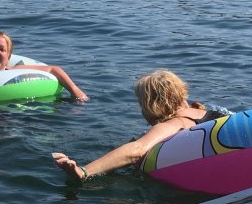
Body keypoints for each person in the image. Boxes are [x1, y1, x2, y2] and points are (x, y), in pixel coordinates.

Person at [53, 69, 229, 182]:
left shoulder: (177, 122)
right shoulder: (206, 111)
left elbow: (137, 150)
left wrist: (84, 171)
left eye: (141, 102)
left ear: (151, 104)